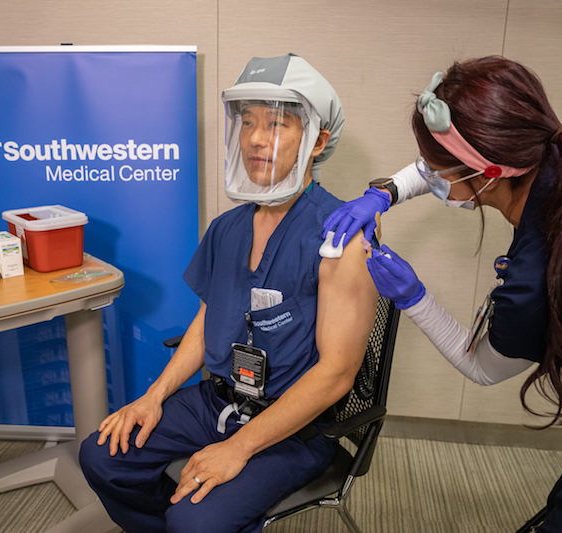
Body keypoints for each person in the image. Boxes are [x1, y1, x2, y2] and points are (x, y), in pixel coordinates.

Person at [324, 56, 562, 532]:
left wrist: (413, 297)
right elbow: (445, 164)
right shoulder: (559, 148)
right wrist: (385, 193)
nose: (429, 174)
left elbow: (480, 367)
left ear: (488, 173)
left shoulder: (540, 274)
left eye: (438, 169)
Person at [79, 54, 379, 533]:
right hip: (218, 402)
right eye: (248, 122)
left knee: (197, 520)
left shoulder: (340, 239)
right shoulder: (227, 229)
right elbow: (207, 320)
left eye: (278, 124)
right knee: (103, 456)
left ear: (319, 140)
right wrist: (153, 397)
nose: (257, 139)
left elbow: (337, 374)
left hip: (294, 428)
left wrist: (238, 448)